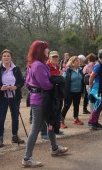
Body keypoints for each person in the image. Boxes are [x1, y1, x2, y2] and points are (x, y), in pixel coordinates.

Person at [23, 40, 68, 168]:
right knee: (36, 129)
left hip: (39, 99)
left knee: (51, 123)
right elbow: (46, 85)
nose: (48, 51)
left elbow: (28, 82)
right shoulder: (38, 65)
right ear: (40, 51)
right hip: (41, 100)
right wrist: (56, 82)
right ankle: (26, 158)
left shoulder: (33, 64)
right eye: (46, 49)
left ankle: (54, 148)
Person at [0, 49, 25, 148]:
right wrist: (0, 88)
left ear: (11, 57)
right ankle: (0, 138)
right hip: (2, 97)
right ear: (1, 58)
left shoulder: (16, 69)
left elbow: (22, 81)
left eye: (8, 56)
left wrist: (16, 87)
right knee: (1, 117)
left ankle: (15, 136)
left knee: (15, 116)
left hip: (14, 96)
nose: (6, 57)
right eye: (4, 56)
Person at [88, 50, 102, 130]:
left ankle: (95, 122)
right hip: (98, 88)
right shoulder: (98, 65)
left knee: (100, 105)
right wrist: (90, 85)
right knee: (98, 105)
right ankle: (91, 122)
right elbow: (92, 76)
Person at [61, 56, 85, 128]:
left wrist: (83, 92)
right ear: (72, 62)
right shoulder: (68, 71)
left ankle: (76, 119)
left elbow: (82, 81)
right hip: (69, 92)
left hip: (78, 92)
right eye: (76, 61)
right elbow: (63, 80)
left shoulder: (80, 70)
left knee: (77, 105)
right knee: (66, 106)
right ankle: (61, 121)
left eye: (79, 60)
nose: (79, 62)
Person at [46, 51, 63, 135]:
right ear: (49, 58)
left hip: (58, 93)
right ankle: (50, 131)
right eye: (53, 57)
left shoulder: (56, 66)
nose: (56, 58)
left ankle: (56, 129)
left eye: (57, 57)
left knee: (58, 111)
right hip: (51, 93)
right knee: (52, 113)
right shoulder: (47, 66)